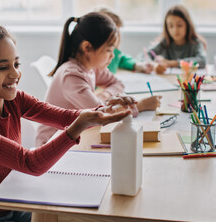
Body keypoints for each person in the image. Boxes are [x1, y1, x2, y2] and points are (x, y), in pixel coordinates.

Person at [0, 25, 133, 222]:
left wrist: (106, 109)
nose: (15, 74)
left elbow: (65, 116)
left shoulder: (14, 100)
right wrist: (76, 128)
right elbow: (30, 163)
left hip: (13, 205)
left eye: (16, 63)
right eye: (3, 67)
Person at [35, 12, 161, 146]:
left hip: (75, 137)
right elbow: (101, 116)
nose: (113, 56)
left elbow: (116, 83)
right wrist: (142, 105)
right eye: (109, 50)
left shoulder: (91, 67)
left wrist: (106, 94)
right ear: (87, 47)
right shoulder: (71, 76)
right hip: (51, 146)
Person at [147, 5, 207, 74]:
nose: (175, 30)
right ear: (166, 28)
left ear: (187, 25)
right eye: (170, 26)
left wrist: (172, 63)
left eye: (179, 25)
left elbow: (202, 61)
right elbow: (145, 55)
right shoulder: (165, 42)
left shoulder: (195, 42)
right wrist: (154, 65)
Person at [98, 7, 154, 74]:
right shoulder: (97, 56)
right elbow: (108, 74)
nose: (118, 36)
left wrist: (138, 65)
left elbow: (121, 59)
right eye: (115, 33)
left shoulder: (110, 54)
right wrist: (115, 48)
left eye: (118, 32)